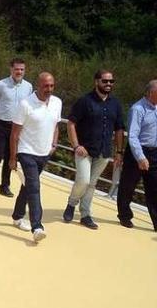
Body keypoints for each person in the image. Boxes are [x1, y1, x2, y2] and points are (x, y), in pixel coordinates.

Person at [63, 70, 125, 229]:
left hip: (104, 151)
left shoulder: (115, 104)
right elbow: (71, 123)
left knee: (91, 184)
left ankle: (85, 214)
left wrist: (119, 152)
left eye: (111, 81)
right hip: (85, 150)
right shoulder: (85, 101)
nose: (109, 84)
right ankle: (71, 203)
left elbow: (119, 129)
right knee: (83, 180)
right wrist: (76, 145)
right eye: (105, 81)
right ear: (96, 82)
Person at [9, 72, 62, 243]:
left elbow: (55, 126)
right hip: (26, 152)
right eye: (46, 86)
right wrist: (12, 157)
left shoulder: (57, 103)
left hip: (44, 153)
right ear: (38, 85)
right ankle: (37, 226)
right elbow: (14, 134)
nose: (49, 89)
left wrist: (54, 144)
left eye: (52, 86)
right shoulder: (25, 104)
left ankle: (17, 216)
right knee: (34, 187)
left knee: (27, 186)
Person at [0, 58, 33, 196]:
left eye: (21, 69)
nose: (19, 72)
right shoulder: (0, 85)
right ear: (11, 69)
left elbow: (29, 106)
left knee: (10, 157)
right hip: (1, 123)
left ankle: (4, 186)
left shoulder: (28, 87)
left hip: (17, 127)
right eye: (16, 69)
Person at [117, 79, 157, 231]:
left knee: (154, 187)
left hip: (154, 152)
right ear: (150, 93)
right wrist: (140, 157)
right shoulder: (138, 109)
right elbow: (132, 136)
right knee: (128, 185)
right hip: (137, 151)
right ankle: (124, 215)